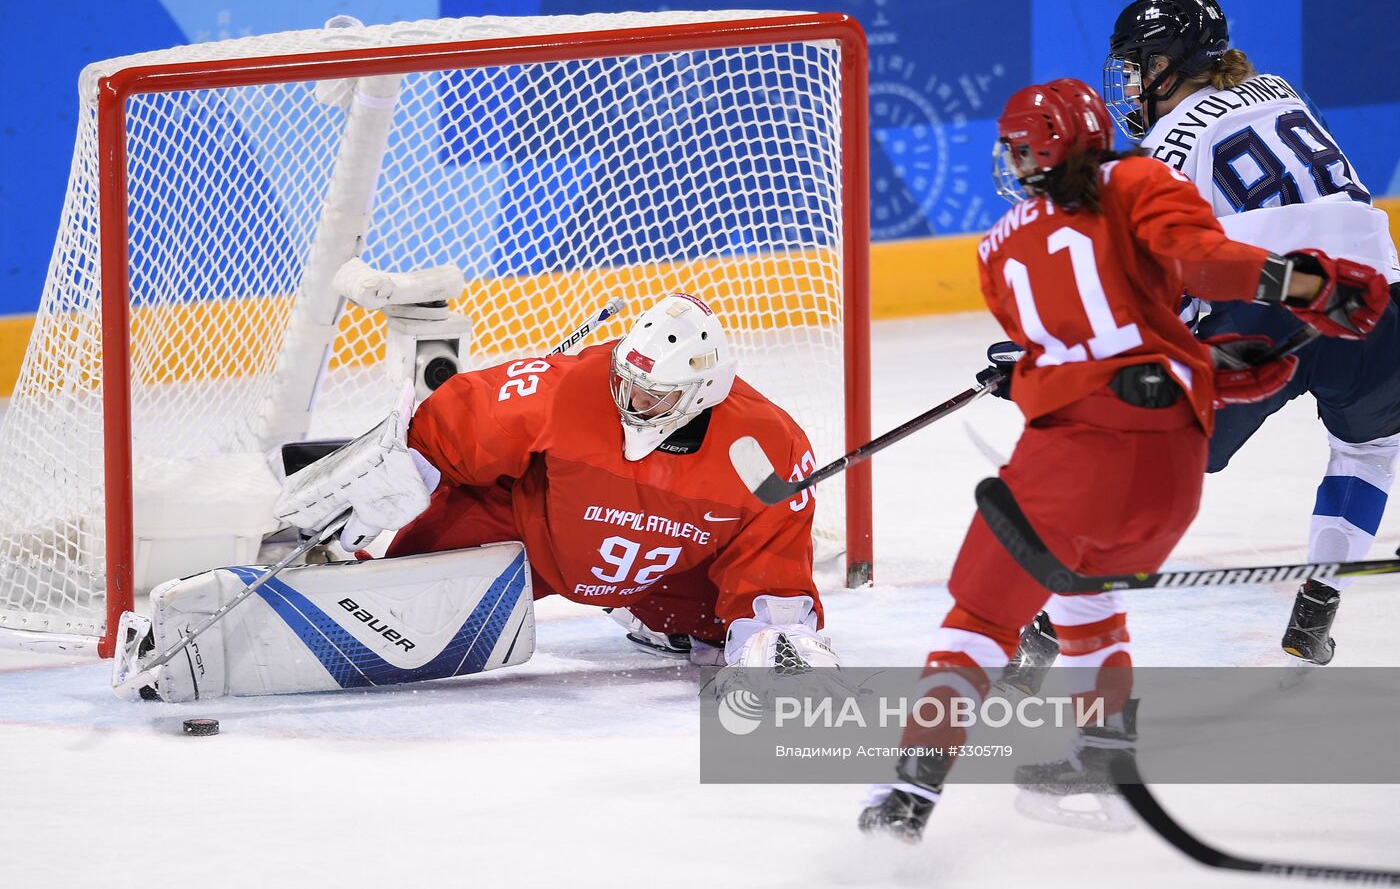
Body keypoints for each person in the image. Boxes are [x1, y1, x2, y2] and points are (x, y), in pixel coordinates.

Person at [856, 77, 1386, 842]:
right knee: (1085, 596)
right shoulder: (1141, 177)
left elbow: (1082, 343)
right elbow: (1196, 268)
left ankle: (904, 794)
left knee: (979, 617)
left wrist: (1033, 373)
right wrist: (1309, 288)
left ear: (1035, 151)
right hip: (1170, 472)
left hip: (1071, 467)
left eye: (1017, 146)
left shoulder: (995, 250)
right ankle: (1100, 752)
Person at [124, 293, 838, 702]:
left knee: (744, 633)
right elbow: (454, 421)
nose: (631, 398)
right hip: (529, 536)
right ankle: (329, 591)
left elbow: (771, 556)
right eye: (628, 379)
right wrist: (387, 478)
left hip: (660, 576)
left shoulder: (767, 449)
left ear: (703, 394)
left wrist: (776, 633)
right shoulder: (566, 389)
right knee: (408, 584)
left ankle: (665, 617)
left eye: (655, 394)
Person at [1097, 0, 1400, 665]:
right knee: (1367, 452)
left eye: (1140, 66)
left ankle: (1056, 623)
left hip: (1270, 299)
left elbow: (1162, 271)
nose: (1135, 84)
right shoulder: (1278, 91)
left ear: (1170, 65)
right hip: (1375, 295)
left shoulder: (1165, 142)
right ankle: (1318, 605)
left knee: (1156, 462)